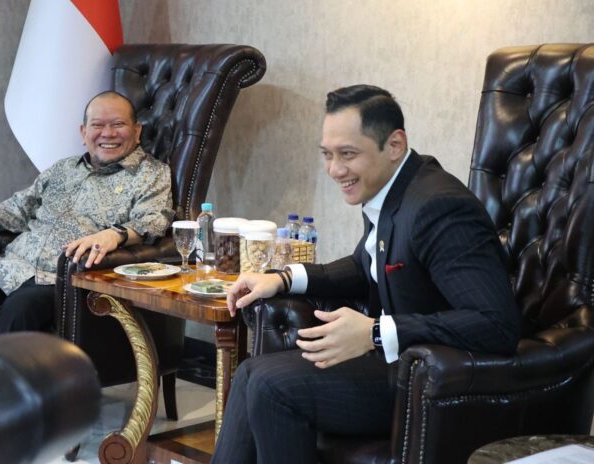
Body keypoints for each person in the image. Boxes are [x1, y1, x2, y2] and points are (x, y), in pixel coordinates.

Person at [212, 85, 521, 464]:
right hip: (402, 367)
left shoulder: (439, 207)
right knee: (249, 374)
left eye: (348, 154)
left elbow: (497, 323)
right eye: (327, 154)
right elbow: (365, 265)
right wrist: (284, 278)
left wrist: (375, 331)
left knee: (270, 385)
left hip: (433, 382)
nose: (335, 169)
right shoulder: (388, 188)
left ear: (394, 145)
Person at [0, 91, 174, 364]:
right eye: (98, 125)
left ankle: (0, 394)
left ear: (137, 130)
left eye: (118, 124)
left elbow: (154, 220)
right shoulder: (63, 169)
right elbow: (16, 210)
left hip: (62, 280)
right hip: (8, 268)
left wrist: (114, 235)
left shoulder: (152, 174)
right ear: (84, 132)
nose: (108, 133)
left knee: (18, 313)